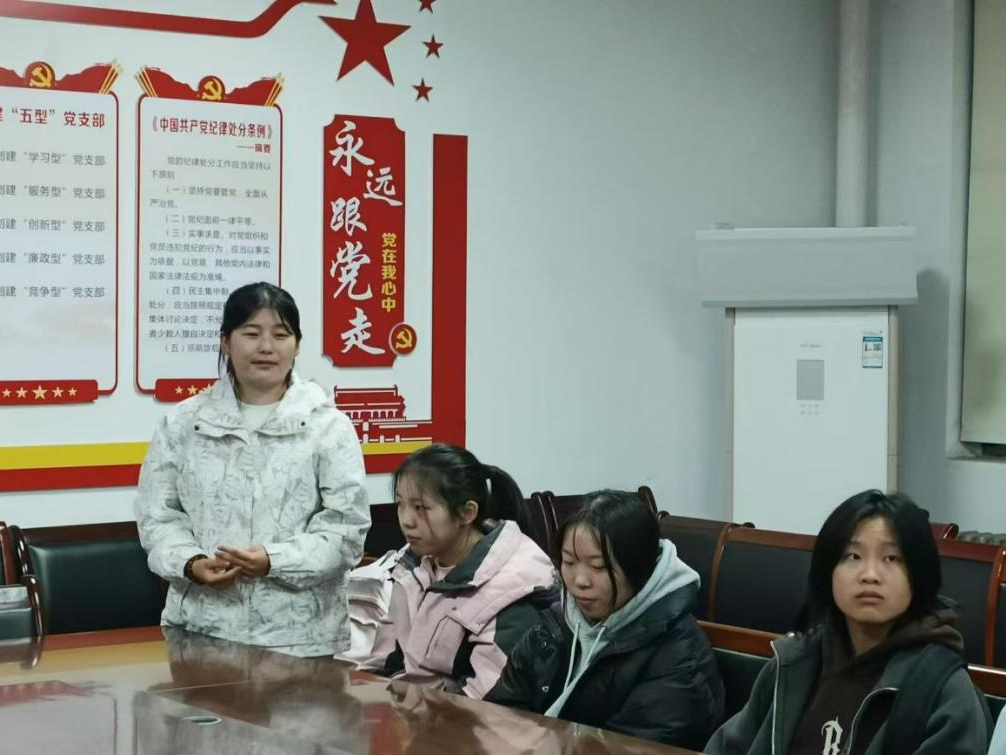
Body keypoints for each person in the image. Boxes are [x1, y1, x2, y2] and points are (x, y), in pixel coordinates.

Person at [134, 282, 369, 657]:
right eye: (251, 333)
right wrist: (191, 563)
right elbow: (157, 516)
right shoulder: (183, 423)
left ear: (297, 345)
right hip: (202, 631)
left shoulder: (328, 426)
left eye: (281, 334)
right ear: (226, 342)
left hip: (302, 639)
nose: (266, 347)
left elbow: (346, 530)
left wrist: (274, 561)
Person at [705, 490, 992, 755]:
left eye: (892, 558)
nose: (870, 575)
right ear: (828, 570)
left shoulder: (945, 691)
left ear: (919, 574)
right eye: (853, 556)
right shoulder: (796, 662)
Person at [486, 489, 724, 750]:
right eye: (569, 562)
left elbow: (633, 747)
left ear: (639, 567)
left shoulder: (679, 655)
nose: (580, 581)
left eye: (598, 566)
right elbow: (500, 712)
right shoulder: (554, 624)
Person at [366, 443, 557, 698]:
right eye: (400, 504)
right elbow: (385, 662)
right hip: (410, 710)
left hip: (458, 718)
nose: (406, 520)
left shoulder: (511, 589)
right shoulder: (413, 564)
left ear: (467, 513)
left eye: (420, 507)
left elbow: (487, 705)